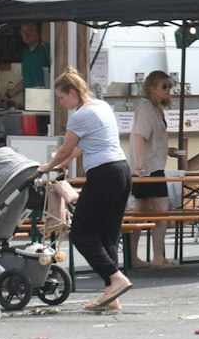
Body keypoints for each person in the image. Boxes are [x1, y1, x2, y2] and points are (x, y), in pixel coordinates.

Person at [46, 71, 133, 312]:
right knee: (107, 235)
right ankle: (110, 295)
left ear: (73, 93)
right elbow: (84, 146)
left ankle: (116, 278)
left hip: (103, 174)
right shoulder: (102, 106)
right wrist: (63, 162)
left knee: (81, 233)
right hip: (122, 171)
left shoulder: (80, 116)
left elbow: (65, 149)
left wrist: (48, 166)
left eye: (62, 98)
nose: (62, 104)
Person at [128, 70, 181, 270]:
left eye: (169, 86)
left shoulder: (154, 109)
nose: (168, 90)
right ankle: (158, 257)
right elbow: (139, 136)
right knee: (161, 212)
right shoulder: (146, 109)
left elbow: (149, 139)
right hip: (149, 169)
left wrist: (167, 150)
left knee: (140, 212)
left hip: (148, 166)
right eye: (164, 86)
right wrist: (141, 162)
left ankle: (134, 257)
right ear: (151, 88)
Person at [17, 23, 52, 91]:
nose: (26, 34)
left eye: (29, 30)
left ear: (37, 31)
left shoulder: (46, 50)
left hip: (44, 97)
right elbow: (26, 80)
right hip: (28, 99)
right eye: (23, 32)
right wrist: (8, 95)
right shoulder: (26, 53)